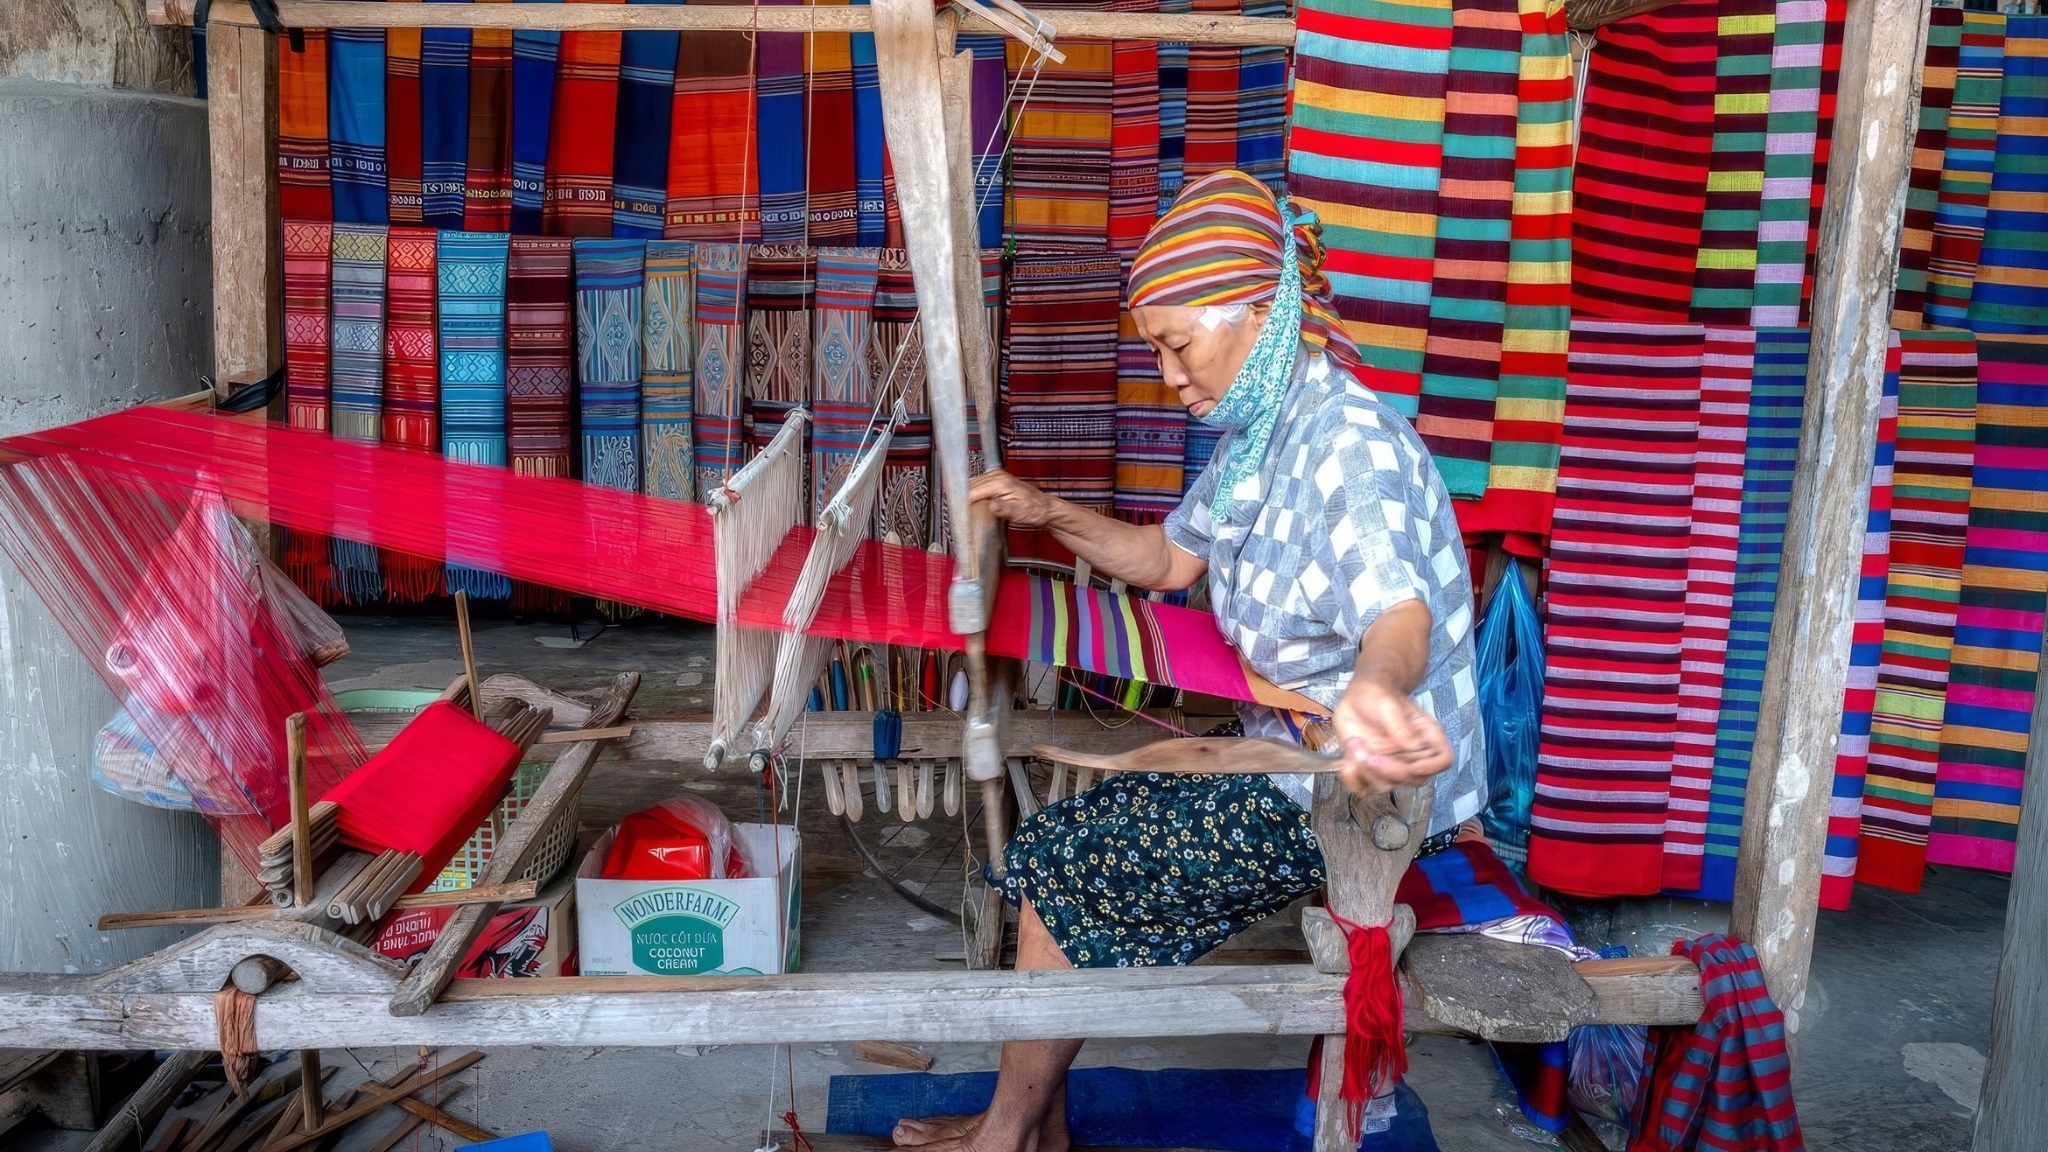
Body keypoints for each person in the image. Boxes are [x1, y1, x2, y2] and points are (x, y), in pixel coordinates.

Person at [890, 170, 1487, 1152]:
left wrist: (1379, 693)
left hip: (1356, 795)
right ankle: (1030, 1130)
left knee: (1070, 860)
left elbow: (1398, 614)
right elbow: (1168, 561)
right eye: (1157, 350)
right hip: (1293, 749)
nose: (1170, 374)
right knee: (1066, 842)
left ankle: (1008, 1136)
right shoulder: (1261, 437)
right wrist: (1052, 515)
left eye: (1177, 343)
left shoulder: (1347, 448)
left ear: (1261, 306)